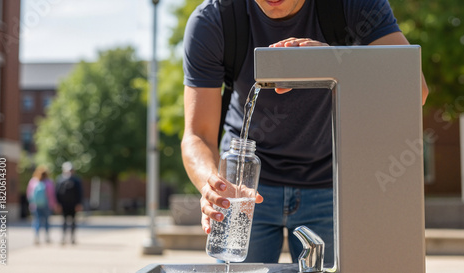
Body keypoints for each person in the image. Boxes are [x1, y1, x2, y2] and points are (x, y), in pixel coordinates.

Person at [181, 0, 429, 264]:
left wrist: (335, 61)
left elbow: (414, 90)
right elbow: (198, 135)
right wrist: (214, 187)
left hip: (331, 186)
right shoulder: (215, 19)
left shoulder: (354, 4)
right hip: (243, 189)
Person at [26, 165, 57, 244]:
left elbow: (29, 194)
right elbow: (51, 195)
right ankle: (47, 237)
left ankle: (36, 237)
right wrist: (53, 205)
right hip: (46, 204)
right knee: (46, 221)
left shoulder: (33, 181)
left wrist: (31, 203)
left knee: (37, 221)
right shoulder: (49, 182)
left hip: (35, 205)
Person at [55, 161, 83, 245]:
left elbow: (80, 193)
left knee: (73, 222)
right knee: (64, 222)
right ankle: (63, 238)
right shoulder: (60, 180)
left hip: (73, 204)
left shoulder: (76, 180)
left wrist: (79, 204)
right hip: (64, 205)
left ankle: (72, 238)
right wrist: (58, 204)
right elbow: (57, 193)